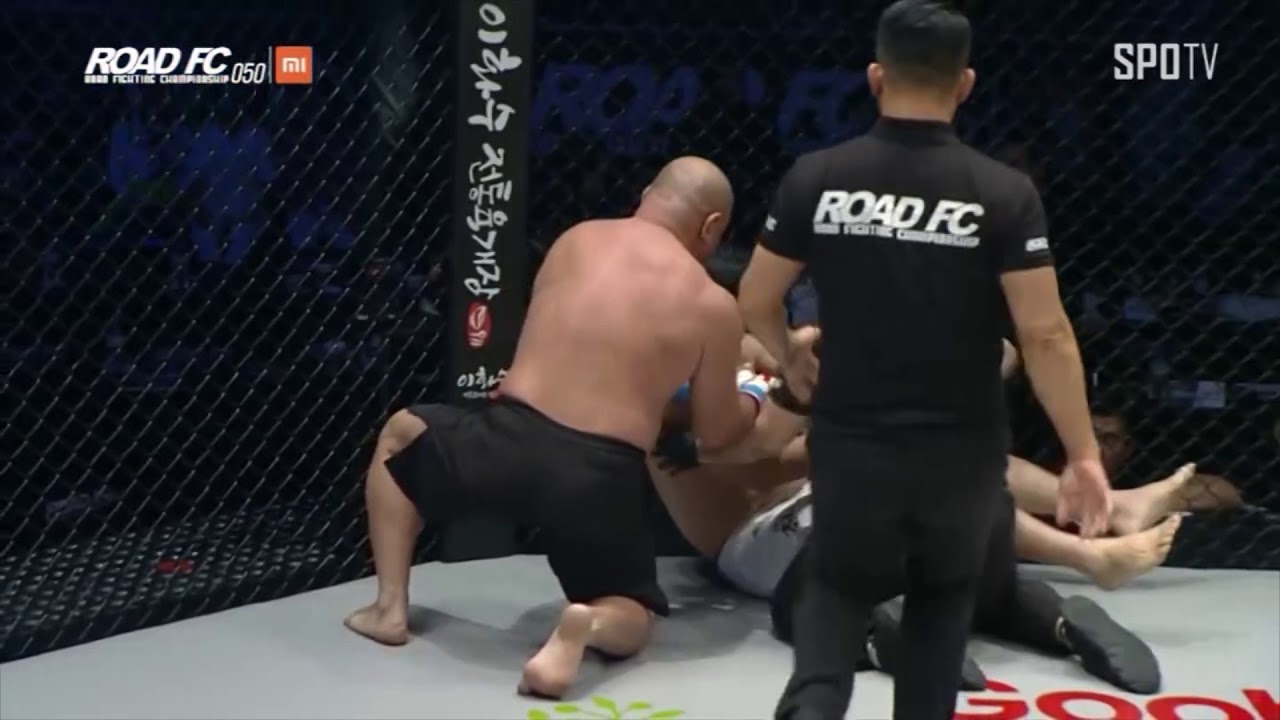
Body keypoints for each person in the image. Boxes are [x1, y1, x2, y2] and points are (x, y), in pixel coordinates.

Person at [735, 2, 1110, 717]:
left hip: (852, 438)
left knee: (836, 589)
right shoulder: (1003, 193)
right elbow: (1046, 335)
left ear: (876, 77)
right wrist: (1083, 454)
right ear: (964, 84)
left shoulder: (819, 176)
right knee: (940, 601)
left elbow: (755, 298)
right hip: (960, 450)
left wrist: (788, 355)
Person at [343, 156, 771, 699]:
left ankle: (389, 608)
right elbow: (717, 434)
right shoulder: (711, 304)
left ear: (646, 194)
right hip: (598, 477)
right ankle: (588, 624)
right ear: (711, 227)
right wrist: (755, 394)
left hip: (508, 438)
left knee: (399, 435)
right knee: (632, 609)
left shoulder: (576, 240)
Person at [653, 344, 1182, 695]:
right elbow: (763, 461)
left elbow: (1000, 354)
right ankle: (1054, 604)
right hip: (768, 529)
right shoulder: (672, 397)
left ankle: (891, 631)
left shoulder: (766, 350)